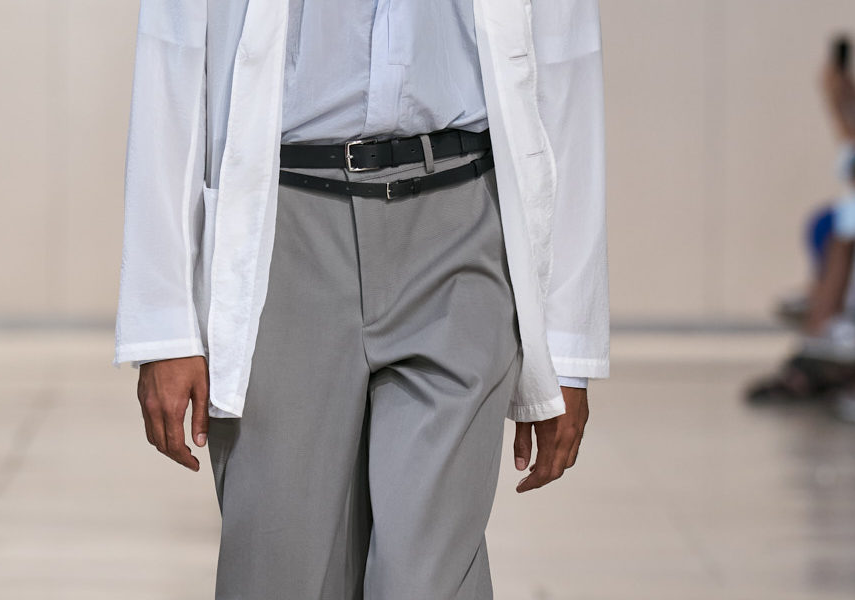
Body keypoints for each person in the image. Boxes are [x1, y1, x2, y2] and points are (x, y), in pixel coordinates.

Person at [115, 1, 609, 597]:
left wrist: (568, 348)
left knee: (428, 581)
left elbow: (566, 61)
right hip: (282, 232)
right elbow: (172, 50)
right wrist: (164, 324)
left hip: (463, 226)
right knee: (280, 571)